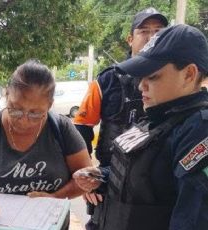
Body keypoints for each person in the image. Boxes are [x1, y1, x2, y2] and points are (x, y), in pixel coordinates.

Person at [74, 24, 208, 230]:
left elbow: (193, 219)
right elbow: (149, 183)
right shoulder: (158, 116)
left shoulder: (198, 131)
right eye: (141, 77)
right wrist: (102, 178)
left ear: (189, 74)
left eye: (152, 77)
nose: (140, 86)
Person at [0, 60, 92, 224]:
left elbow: (85, 177)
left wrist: (54, 198)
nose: (23, 121)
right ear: (7, 95)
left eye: (35, 113)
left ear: (49, 105)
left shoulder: (61, 128)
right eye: (15, 109)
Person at [72, 8, 168, 229]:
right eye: (144, 31)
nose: (151, 37)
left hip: (153, 184)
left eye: (158, 31)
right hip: (109, 177)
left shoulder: (173, 78)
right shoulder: (108, 80)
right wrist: (89, 177)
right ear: (130, 39)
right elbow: (81, 127)